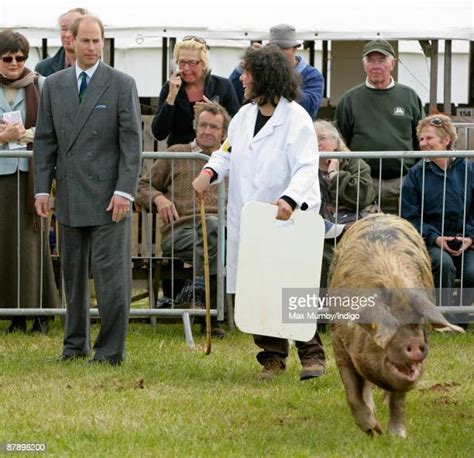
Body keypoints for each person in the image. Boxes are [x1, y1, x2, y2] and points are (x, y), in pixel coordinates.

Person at [193, 45, 325, 381]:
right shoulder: (242, 117)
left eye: (248, 73)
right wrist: (209, 172)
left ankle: (312, 357)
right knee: (258, 286)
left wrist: (289, 199)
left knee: (291, 288)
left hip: (285, 216)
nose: (242, 78)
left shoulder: (296, 120)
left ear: (265, 77)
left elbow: (307, 167)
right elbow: (226, 152)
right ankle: (272, 357)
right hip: (250, 220)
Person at [34, 15, 142, 365]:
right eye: (86, 41)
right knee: (73, 276)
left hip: (111, 198)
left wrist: (125, 191)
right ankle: (74, 345)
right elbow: (45, 141)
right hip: (68, 194)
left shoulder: (121, 83)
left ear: (104, 42)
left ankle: (110, 351)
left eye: (98, 41)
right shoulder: (53, 84)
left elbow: (131, 144)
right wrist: (41, 190)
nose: (92, 48)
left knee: (112, 279)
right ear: (71, 42)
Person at [136, 102, 230, 337]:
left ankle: (200, 297)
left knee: (216, 230)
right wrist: (158, 198)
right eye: (203, 125)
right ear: (195, 127)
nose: (207, 131)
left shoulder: (232, 162)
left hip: (224, 233)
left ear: (224, 133)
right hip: (181, 232)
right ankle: (214, 314)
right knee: (214, 231)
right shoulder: (176, 153)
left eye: (214, 127)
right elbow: (142, 186)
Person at [0, 30, 59, 333]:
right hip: (2, 177)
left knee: (33, 244)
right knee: (5, 244)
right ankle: (12, 313)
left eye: (20, 57)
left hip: (32, 175)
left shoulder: (42, 85)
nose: (14, 63)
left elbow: (52, 128)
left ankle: (38, 312)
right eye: (7, 57)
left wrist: (25, 134)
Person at [334, 40, 425, 213]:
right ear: (363, 64)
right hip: (363, 183)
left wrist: (417, 177)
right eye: (370, 60)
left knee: (403, 234)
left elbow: (421, 139)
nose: (376, 66)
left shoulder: (410, 97)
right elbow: (340, 144)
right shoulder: (349, 100)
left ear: (393, 63)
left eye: (381, 60)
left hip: (403, 182)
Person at [401, 114, 474, 317]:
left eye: (429, 138)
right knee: (443, 265)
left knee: (472, 272)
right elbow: (410, 217)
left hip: (466, 240)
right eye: (421, 139)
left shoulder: (469, 170)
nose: (423, 144)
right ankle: (443, 317)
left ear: (446, 140)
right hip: (432, 241)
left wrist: (470, 237)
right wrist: (435, 238)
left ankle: (461, 316)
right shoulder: (415, 175)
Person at [315, 120, 376, 287]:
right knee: (320, 255)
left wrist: (335, 174)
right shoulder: (306, 168)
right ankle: (325, 310)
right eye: (312, 138)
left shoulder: (355, 163)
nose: (317, 142)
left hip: (356, 227)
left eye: (322, 138)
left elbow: (362, 197)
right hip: (324, 231)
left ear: (336, 142)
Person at [152, 36, 239, 147]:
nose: (186, 68)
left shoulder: (222, 86)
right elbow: (159, 133)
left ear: (204, 64)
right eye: (182, 62)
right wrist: (171, 97)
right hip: (180, 157)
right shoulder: (170, 87)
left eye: (192, 62)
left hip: (214, 157)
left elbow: (237, 128)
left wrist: (214, 111)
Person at [229, 24, 324, 119]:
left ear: (294, 49)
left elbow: (309, 107)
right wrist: (248, 63)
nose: (278, 52)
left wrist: (280, 77)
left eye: (284, 48)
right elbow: (232, 92)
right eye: (275, 48)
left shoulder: (313, 76)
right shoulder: (263, 71)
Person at [35, 8, 88, 76]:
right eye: (64, 29)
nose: (67, 35)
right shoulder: (43, 68)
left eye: (72, 29)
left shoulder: (98, 69)